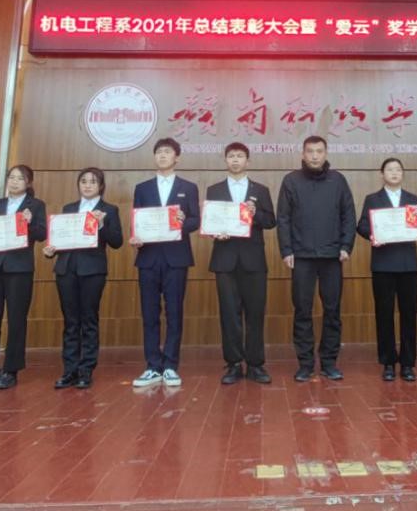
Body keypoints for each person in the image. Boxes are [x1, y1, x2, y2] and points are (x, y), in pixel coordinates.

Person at [277, 135, 356, 382]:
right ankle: (305, 364)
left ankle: (329, 362)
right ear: (303, 154)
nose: (314, 156)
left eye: (319, 151)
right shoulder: (291, 180)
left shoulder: (338, 180)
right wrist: (286, 250)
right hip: (301, 256)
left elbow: (348, 214)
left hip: (332, 256)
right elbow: (283, 218)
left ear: (325, 153)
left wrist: (346, 245)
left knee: (332, 310)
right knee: (302, 310)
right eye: (310, 151)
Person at [43, 167, 122, 389]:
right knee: (70, 321)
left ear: (101, 186)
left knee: (88, 320)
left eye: (93, 182)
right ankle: (69, 370)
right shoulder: (68, 208)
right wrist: (51, 250)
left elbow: (117, 242)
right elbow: (62, 238)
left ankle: (86, 369)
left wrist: (102, 225)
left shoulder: (109, 210)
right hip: (66, 269)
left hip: (92, 270)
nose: (87, 185)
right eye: (83, 181)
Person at [204, 142, 277, 385]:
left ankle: (256, 364)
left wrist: (256, 213)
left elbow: (271, 221)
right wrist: (214, 232)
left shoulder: (261, 190)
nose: (235, 160)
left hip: (253, 259)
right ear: (225, 160)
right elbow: (210, 222)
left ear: (248, 161)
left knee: (255, 313)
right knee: (229, 314)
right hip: (224, 259)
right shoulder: (214, 190)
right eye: (231, 156)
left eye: (240, 156)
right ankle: (233, 364)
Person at [130, 138, 200, 389]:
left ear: (176, 157)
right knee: (149, 313)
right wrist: (136, 237)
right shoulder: (142, 188)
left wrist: (182, 221)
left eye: (167, 152)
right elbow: (137, 221)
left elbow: (196, 221)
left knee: (174, 312)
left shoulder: (188, 187)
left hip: (176, 257)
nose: (162, 155)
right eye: (158, 152)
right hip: (148, 257)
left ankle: (170, 365)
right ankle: (152, 365)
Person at [0, 165, 47, 390]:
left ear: (29, 183)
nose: (14, 182)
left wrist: (29, 223)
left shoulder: (36, 205)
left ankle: (11, 369)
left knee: (16, 319)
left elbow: (42, 234)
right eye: (11, 177)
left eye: (20, 178)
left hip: (19, 268)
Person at [356, 158, 417, 382]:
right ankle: (388, 362)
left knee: (409, 315)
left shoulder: (412, 198)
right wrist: (372, 234)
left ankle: (407, 363)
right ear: (382, 174)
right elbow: (362, 226)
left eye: (398, 170)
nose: (394, 173)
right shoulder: (372, 199)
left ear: (402, 174)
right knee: (384, 314)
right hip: (383, 264)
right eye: (390, 170)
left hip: (408, 264)